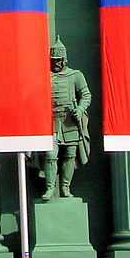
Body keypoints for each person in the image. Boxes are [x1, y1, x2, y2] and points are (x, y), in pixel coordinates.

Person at [40, 39, 91, 200]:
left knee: (70, 155)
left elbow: (86, 95)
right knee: (50, 154)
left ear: (64, 60)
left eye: (59, 60)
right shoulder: (44, 76)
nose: (56, 63)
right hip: (50, 123)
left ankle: (65, 188)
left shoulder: (75, 75)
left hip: (69, 122)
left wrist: (80, 109)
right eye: (53, 60)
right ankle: (50, 188)